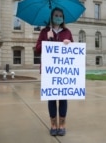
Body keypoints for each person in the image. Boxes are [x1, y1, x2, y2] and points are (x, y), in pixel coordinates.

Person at [35, 7, 73, 136]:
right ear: (52, 16)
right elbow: (37, 49)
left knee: (63, 98)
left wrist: (69, 44)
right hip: (49, 70)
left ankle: (62, 124)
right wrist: (47, 39)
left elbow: (74, 51)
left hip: (63, 71)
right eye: (56, 15)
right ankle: (53, 125)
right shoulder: (45, 31)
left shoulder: (67, 32)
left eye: (60, 15)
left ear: (63, 18)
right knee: (51, 98)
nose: (58, 17)